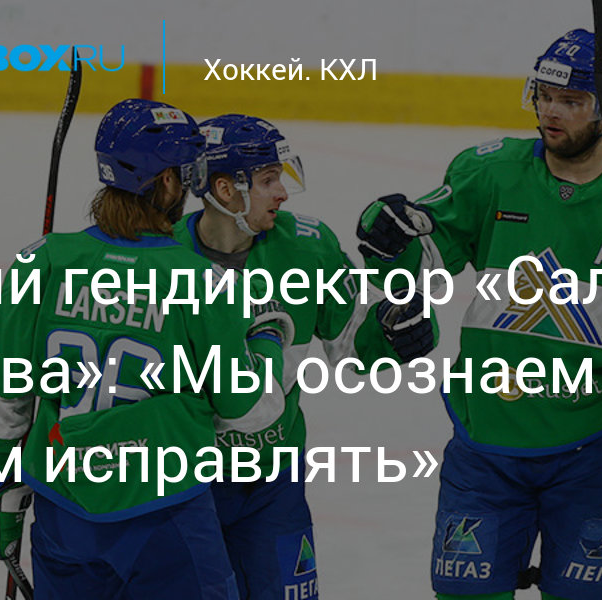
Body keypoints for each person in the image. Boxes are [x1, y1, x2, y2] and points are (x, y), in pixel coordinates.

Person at [356, 29, 602, 600]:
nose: (551, 112)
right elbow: (422, 258)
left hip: (598, 449)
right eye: (544, 95)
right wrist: (389, 237)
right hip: (487, 442)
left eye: (571, 101)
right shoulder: (490, 173)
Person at [0, 99, 293, 599]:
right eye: (186, 173)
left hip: (63, 517)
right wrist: (267, 339)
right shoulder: (202, 282)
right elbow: (249, 410)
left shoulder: (42, 262)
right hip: (166, 517)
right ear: (168, 182)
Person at [174, 113, 437, 600]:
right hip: (182, 485)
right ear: (225, 189)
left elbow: (352, 345)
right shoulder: (160, 258)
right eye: (268, 180)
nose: (283, 194)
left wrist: (394, 327)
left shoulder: (307, 248)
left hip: (274, 481)